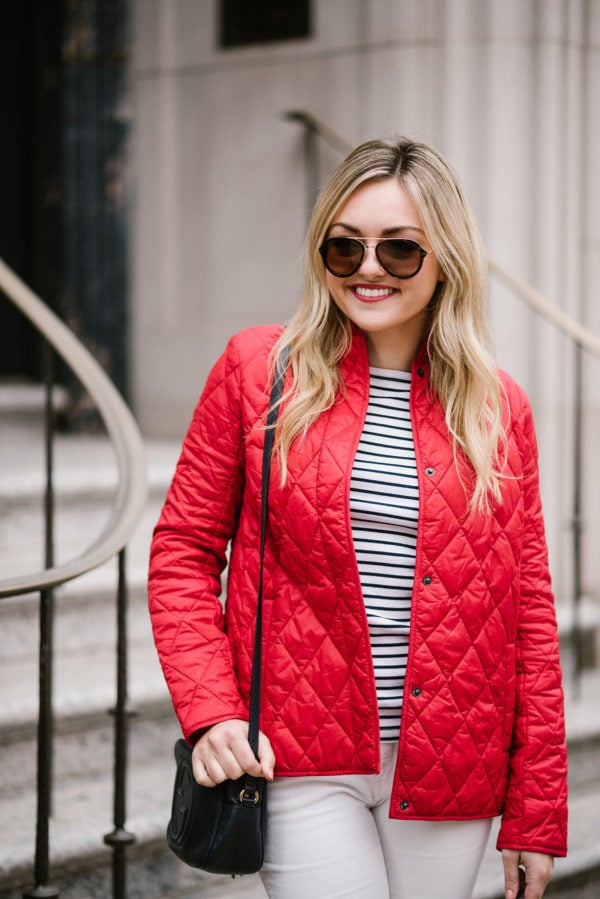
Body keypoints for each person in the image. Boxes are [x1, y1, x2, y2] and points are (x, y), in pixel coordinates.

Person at [148, 137, 568, 899]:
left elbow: (529, 612)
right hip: (297, 751)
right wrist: (210, 710)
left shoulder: (497, 407)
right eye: (346, 247)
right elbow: (182, 549)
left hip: (448, 761)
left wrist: (537, 808)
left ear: (445, 259)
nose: (368, 268)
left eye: (399, 250)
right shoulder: (258, 370)